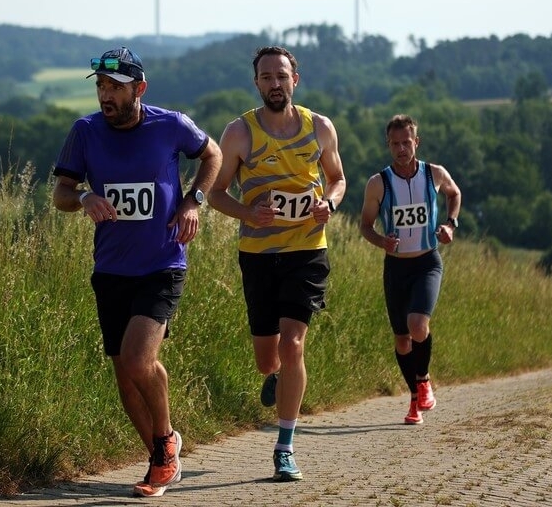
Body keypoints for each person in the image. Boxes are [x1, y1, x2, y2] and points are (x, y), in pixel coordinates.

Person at [52, 47, 222, 498]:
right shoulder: (85, 132)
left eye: (115, 87)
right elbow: (61, 193)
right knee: (124, 375)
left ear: (139, 89)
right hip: (111, 268)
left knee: (138, 359)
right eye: (101, 87)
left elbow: (214, 155)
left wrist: (193, 201)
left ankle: (165, 445)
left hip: (162, 263)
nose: (105, 95)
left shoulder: (171, 125)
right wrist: (84, 197)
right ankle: (161, 459)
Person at [207, 45, 346, 482]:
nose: (274, 84)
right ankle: (276, 376)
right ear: (257, 83)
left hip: (307, 249)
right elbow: (215, 192)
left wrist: (329, 204)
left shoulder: (319, 127)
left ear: (294, 80)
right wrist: (249, 214)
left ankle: (284, 447)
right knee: (268, 360)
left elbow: (337, 179)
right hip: (259, 256)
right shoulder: (239, 133)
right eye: (266, 77)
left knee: (293, 345)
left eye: (281, 76)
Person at [358, 114, 461, 426]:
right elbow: (365, 225)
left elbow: (454, 194)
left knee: (418, 325)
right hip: (397, 268)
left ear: (417, 142)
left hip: (427, 262)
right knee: (402, 340)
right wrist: (381, 242)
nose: (401, 148)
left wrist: (450, 224)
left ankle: (424, 379)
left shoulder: (434, 174)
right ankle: (415, 397)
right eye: (395, 144)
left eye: (407, 142)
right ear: (388, 145)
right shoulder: (379, 183)